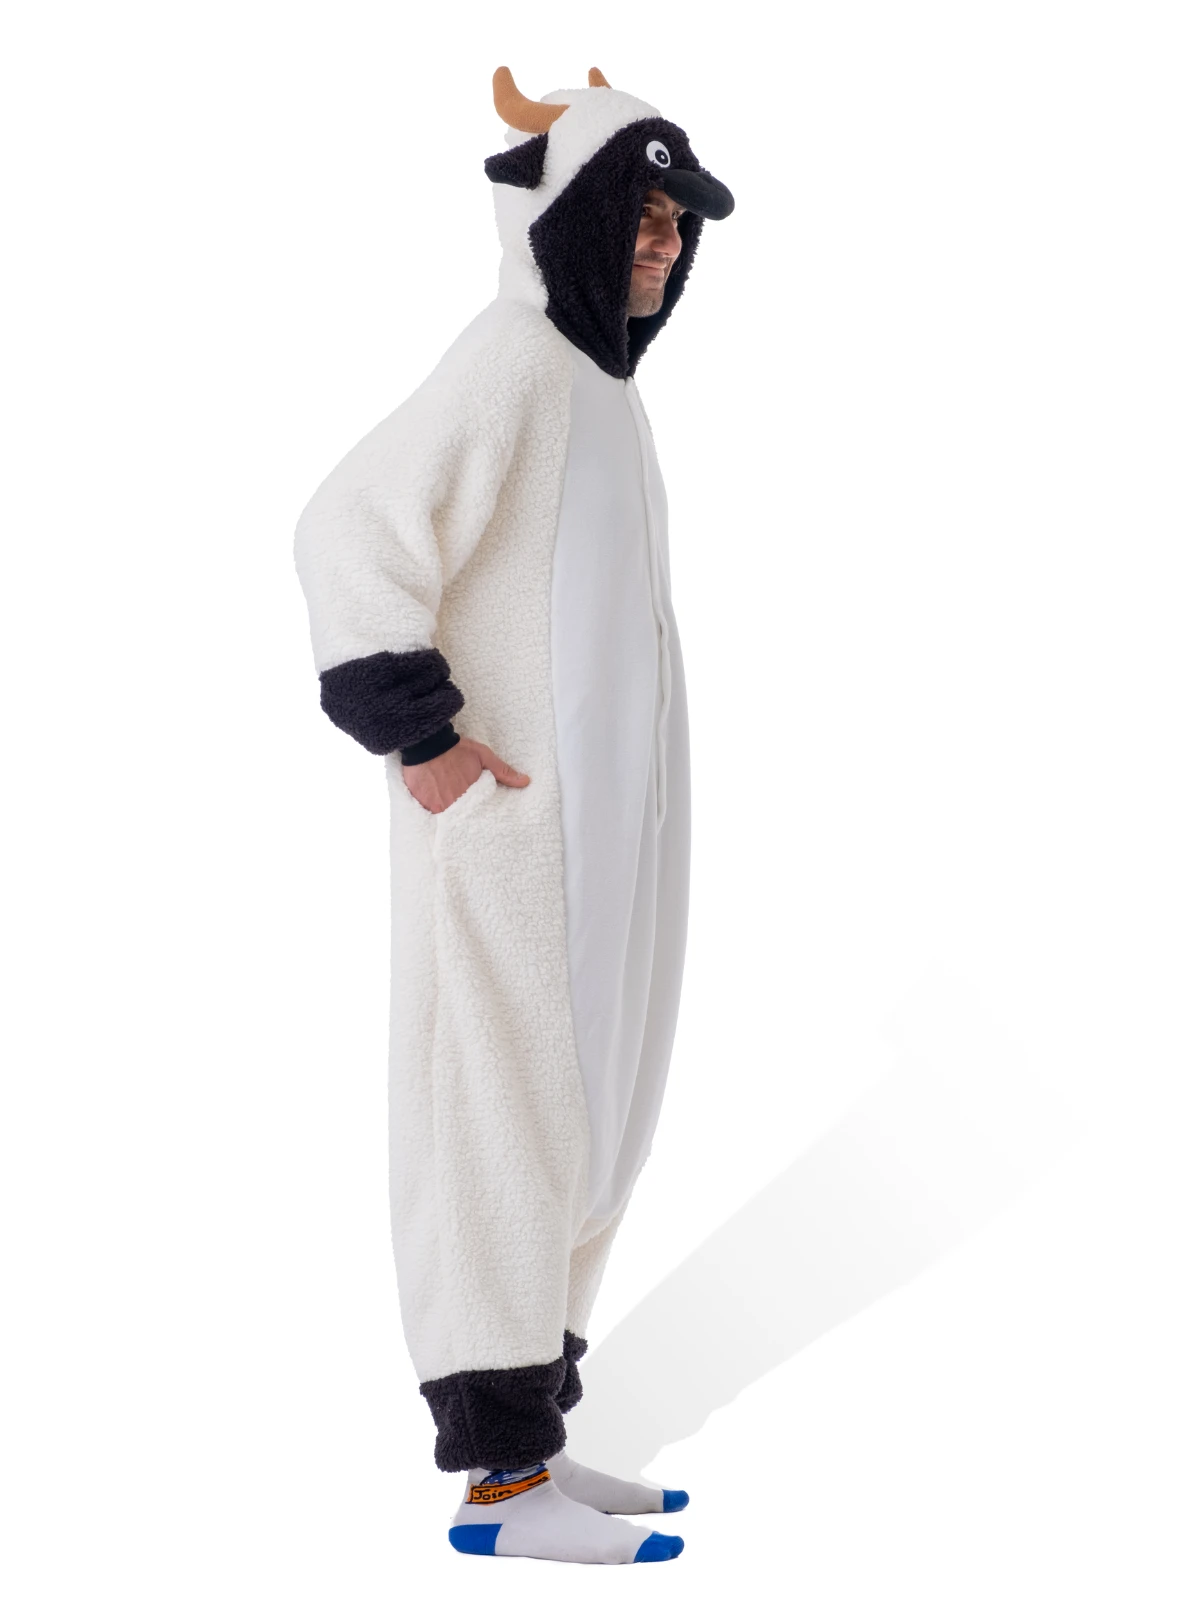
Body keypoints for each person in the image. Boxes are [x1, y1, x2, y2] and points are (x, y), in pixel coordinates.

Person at [293, 65, 734, 1566]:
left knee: (594, 1119)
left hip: (606, 846)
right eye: (641, 215)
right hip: (516, 840)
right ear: (573, 218)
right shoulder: (515, 361)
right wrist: (419, 735)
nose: (663, 244)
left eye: (677, 224)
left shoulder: (604, 393)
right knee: (499, 1119)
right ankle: (498, 1482)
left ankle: (534, 1432)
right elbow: (351, 522)